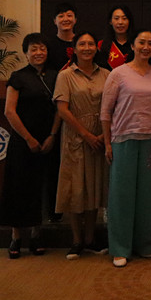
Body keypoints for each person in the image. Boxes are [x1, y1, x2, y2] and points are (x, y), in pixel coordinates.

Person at [101, 29, 151, 268]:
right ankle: (120, 248)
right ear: (133, 45)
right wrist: (107, 143)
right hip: (123, 139)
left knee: (148, 196)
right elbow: (105, 112)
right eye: (141, 42)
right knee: (122, 195)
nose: (146, 47)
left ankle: (146, 245)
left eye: (150, 43)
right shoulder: (118, 73)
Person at [0, 33, 60, 259]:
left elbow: (60, 109)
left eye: (42, 48)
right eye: (33, 49)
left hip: (48, 141)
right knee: (19, 187)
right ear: (26, 53)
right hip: (22, 141)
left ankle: (36, 234)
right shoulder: (18, 77)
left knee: (41, 187)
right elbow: (9, 111)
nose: (38, 53)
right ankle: (16, 237)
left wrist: (52, 135)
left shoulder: (56, 76)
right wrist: (28, 138)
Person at [54, 32, 110, 260]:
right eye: (82, 44)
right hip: (76, 138)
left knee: (94, 188)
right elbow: (62, 110)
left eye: (90, 44)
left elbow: (113, 105)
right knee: (76, 189)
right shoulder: (65, 75)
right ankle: (76, 240)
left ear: (96, 48)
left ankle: (90, 239)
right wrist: (86, 135)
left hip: (100, 138)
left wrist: (102, 135)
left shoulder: (106, 74)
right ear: (74, 49)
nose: (87, 48)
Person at [44, 2, 77, 222]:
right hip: (54, 107)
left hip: (79, 105)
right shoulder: (47, 45)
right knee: (54, 161)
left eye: (69, 15)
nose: (65, 19)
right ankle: (53, 209)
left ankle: (77, 206)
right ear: (54, 21)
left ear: (75, 19)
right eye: (61, 15)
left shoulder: (82, 42)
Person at [96, 5, 135, 70]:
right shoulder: (101, 45)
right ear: (110, 21)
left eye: (124, 18)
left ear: (129, 21)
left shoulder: (136, 44)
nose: (120, 22)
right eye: (116, 18)